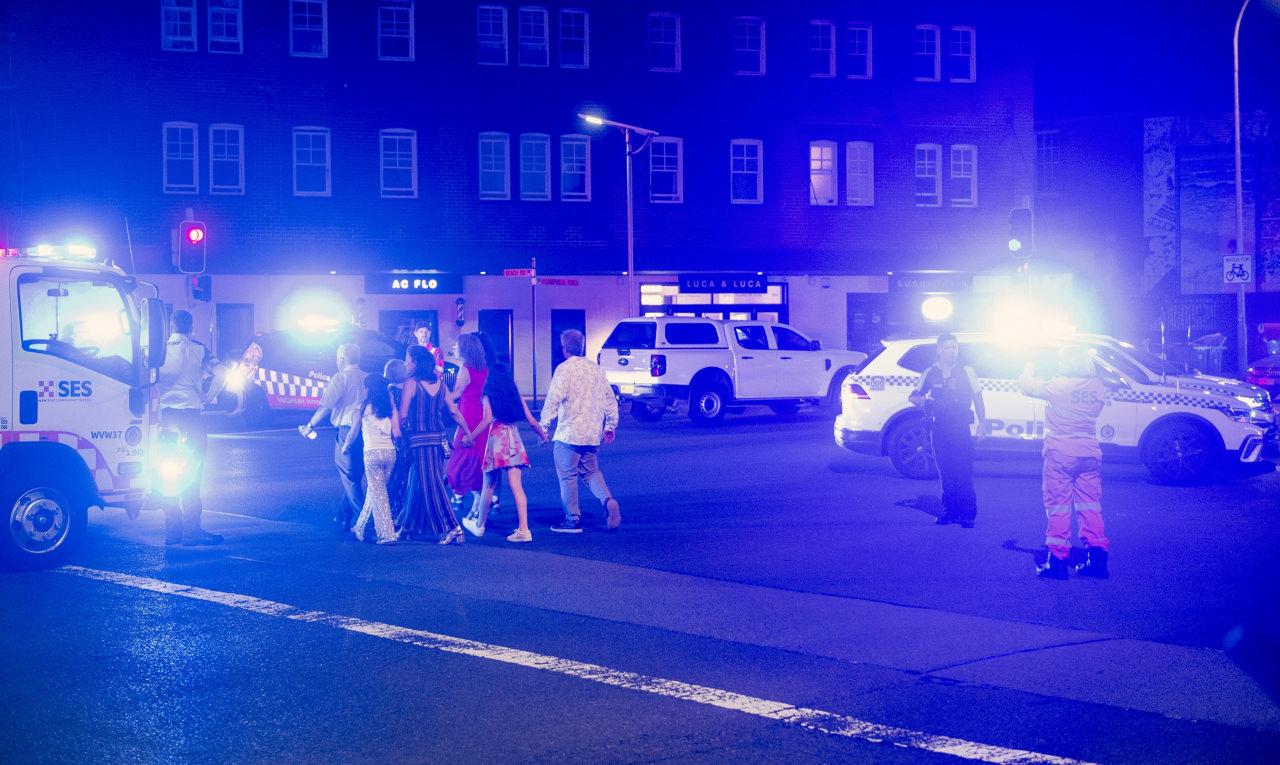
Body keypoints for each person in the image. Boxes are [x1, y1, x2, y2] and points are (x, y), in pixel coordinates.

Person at [1018, 346, 1110, 579]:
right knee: (1090, 506)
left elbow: (1025, 385)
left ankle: (1057, 562)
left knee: (1058, 506)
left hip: (1061, 454)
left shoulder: (1059, 386)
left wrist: (1031, 362)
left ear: (1066, 363)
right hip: (1089, 454)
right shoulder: (1097, 386)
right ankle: (1098, 560)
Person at [539, 329, 621, 534]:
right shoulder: (597, 370)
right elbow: (610, 400)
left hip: (569, 434)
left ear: (565, 349)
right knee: (591, 472)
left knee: (568, 477)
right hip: (592, 434)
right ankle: (608, 501)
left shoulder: (564, 370)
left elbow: (553, 400)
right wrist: (610, 426)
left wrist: (543, 427)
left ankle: (572, 519)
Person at [155, 310, 225, 546]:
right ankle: (192, 530)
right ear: (191, 327)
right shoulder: (198, 349)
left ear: (171, 326)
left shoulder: (158, 350)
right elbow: (221, 373)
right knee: (192, 473)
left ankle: (172, 531)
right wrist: (208, 396)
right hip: (191, 418)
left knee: (167, 473)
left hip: (165, 418)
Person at [461, 364, 549, 542]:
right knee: (517, 487)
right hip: (513, 440)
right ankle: (524, 530)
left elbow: (487, 420)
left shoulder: (488, 395)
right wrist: (543, 435)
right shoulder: (515, 395)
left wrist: (470, 437)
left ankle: (479, 525)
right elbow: (532, 421)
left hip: (497, 441)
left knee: (488, 485)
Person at [908, 333, 986, 528]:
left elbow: (977, 397)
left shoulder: (966, 371)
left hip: (960, 427)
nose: (952, 351)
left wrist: (982, 423)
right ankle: (950, 512)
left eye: (954, 347)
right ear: (940, 349)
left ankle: (968, 514)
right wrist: (917, 400)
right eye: (948, 347)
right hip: (939, 428)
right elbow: (915, 394)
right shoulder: (931, 372)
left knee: (963, 470)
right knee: (946, 471)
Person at [397, 345, 471, 544]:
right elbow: (454, 411)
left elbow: (403, 415)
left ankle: (452, 528)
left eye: (407, 359)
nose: (405, 363)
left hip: (419, 442)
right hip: (438, 440)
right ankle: (408, 526)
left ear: (415, 363)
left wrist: (397, 435)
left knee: (432, 485)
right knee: (416, 483)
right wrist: (468, 431)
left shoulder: (411, 383)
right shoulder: (439, 383)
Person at [300, 343, 368, 528]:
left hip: (346, 431)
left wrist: (309, 425)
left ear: (341, 360)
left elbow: (326, 406)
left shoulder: (340, 377)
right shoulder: (367, 378)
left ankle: (363, 521)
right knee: (355, 474)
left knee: (349, 477)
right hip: (366, 432)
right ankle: (343, 515)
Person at [343, 375, 401, 545]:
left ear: (368, 389)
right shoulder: (390, 408)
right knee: (375, 492)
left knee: (379, 494)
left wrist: (345, 447)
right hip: (390, 453)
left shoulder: (361, 408)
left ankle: (387, 534)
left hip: (372, 454)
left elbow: (353, 432)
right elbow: (397, 433)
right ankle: (361, 528)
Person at [447, 333, 490, 520]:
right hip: (479, 411)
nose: (454, 349)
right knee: (475, 457)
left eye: (457, 346)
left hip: (466, 413)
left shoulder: (465, 369)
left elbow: (457, 393)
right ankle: (476, 497)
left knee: (458, 458)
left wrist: (440, 396)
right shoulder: (484, 368)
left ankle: (469, 494)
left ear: (465, 348)